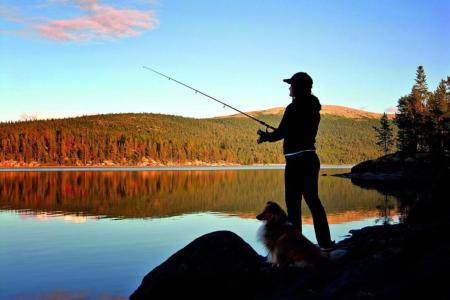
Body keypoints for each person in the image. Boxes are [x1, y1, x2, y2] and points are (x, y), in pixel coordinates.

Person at [257, 72, 335, 250]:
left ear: (298, 87)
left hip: (295, 162)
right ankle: (326, 244)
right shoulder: (314, 108)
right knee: (313, 202)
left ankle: (296, 248)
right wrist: (274, 134)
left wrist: (265, 137)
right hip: (310, 159)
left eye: (291, 84)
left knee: (293, 206)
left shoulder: (293, 108)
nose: (289, 87)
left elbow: (282, 132)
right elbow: (291, 130)